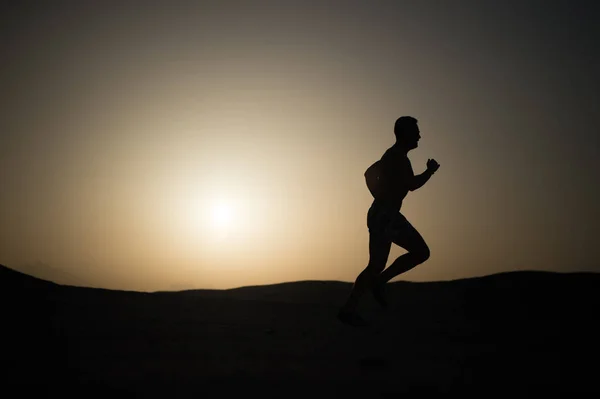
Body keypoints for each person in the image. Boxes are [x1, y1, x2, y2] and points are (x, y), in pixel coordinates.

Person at [338, 116, 440, 326]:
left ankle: (351, 307)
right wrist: (429, 172)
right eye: (416, 131)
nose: (419, 135)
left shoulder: (394, 155)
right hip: (385, 216)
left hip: (383, 215)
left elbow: (369, 173)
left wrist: (379, 196)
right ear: (406, 134)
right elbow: (411, 184)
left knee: (376, 265)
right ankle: (378, 284)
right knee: (420, 252)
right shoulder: (397, 157)